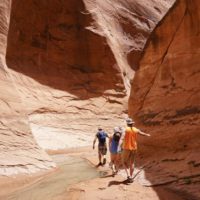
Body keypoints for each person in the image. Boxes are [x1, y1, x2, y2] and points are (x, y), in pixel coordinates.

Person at [122, 118, 150, 183]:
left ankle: (128, 175)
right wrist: (147, 135)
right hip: (134, 147)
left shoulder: (126, 129)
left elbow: (122, 137)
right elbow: (141, 133)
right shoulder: (135, 129)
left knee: (124, 162)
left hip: (126, 148)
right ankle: (131, 177)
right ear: (132, 123)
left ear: (127, 123)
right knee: (132, 163)